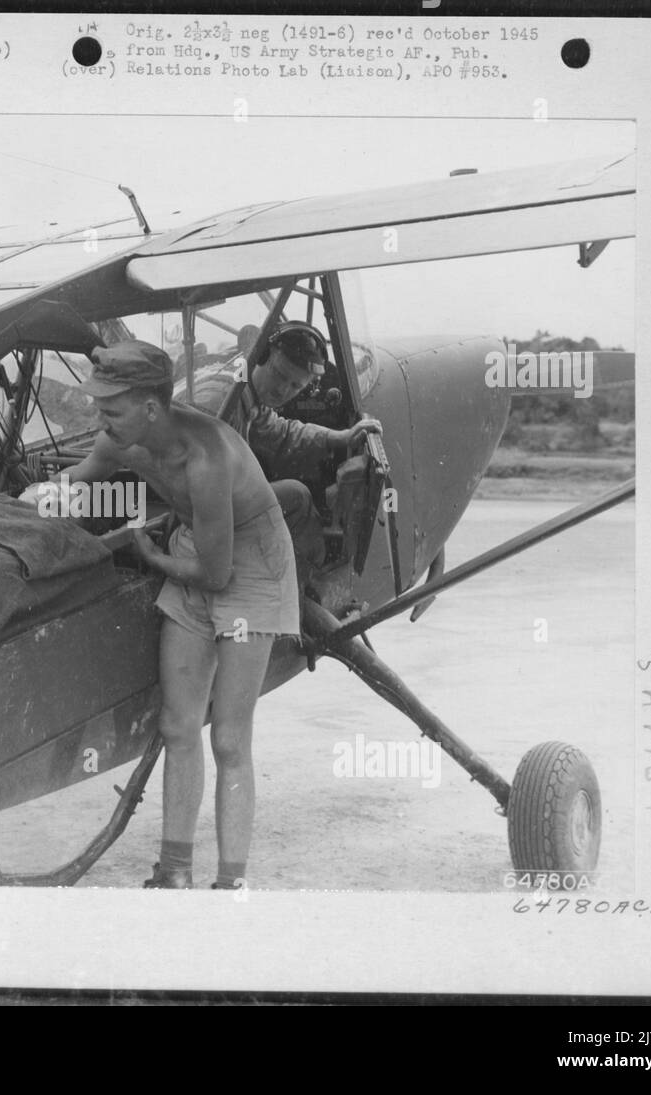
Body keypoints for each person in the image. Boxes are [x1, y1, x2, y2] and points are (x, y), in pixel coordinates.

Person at [66, 340, 299, 890]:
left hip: (252, 565)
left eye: (112, 409)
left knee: (230, 739)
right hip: (198, 549)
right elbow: (72, 485)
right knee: (178, 724)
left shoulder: (207, 457)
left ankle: (231, 883)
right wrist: (25, 503)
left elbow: (218, 577)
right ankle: (173, 872)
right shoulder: (123, 440)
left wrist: (149, 556)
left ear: (151, 408)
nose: (101, 419)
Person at [196, 322, 382, 573]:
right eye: (279, 375)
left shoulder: (247, 396)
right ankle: (305, 584)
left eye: (296, 386)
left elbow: (281, 432)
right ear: (260, 356)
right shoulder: (220, 402)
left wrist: (340, 437)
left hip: (211, 507)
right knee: (296, 495)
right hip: (198, 517)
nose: (283, 390)